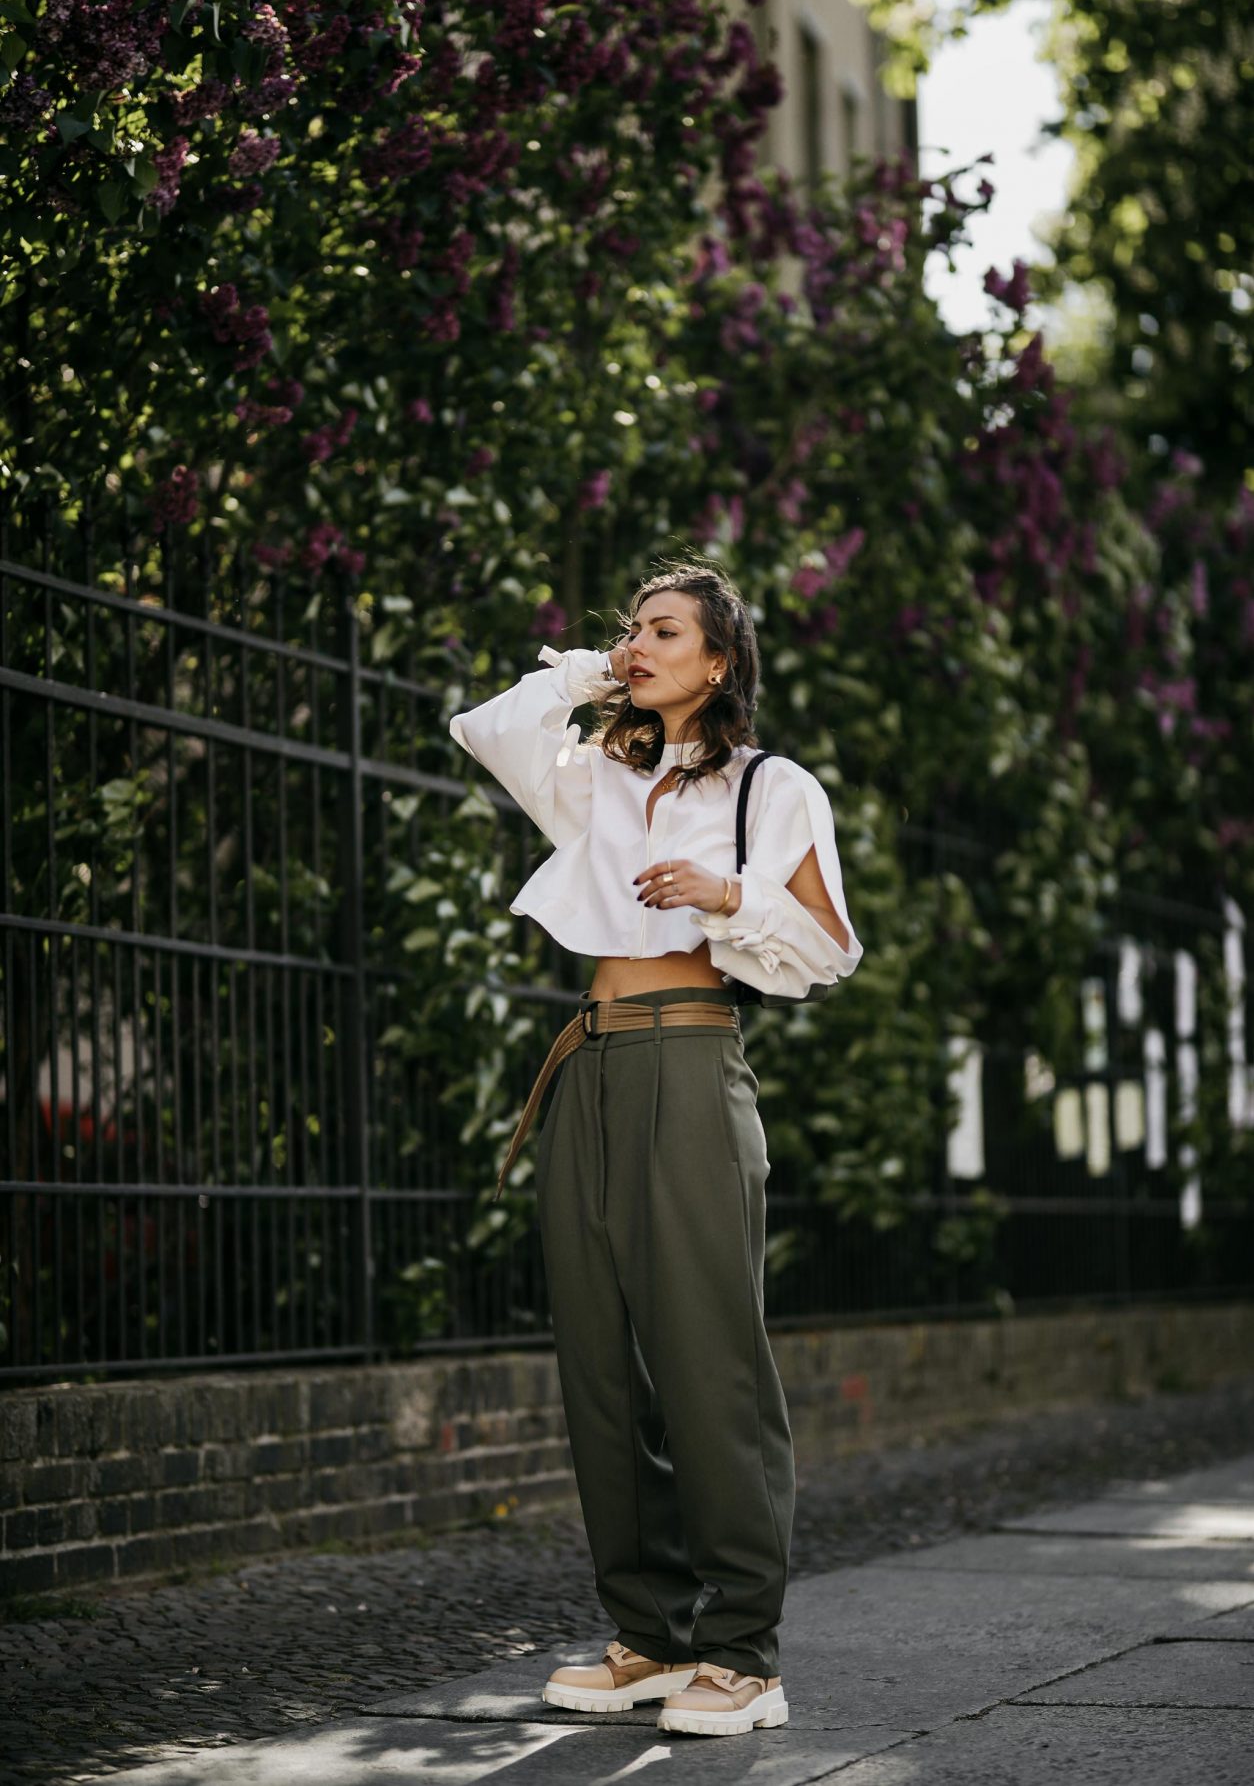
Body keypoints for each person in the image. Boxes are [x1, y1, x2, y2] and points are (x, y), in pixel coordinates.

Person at [447, 558, 864, 1738]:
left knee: (705, 1353)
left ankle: (742, 1652)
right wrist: (592, 670)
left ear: (719, 659)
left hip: (691, 1058)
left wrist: (729, 895)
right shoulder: (596, 773)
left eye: (663, 630)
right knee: (596, 1357)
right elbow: (488, 725)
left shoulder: (772, 787)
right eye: (630, 627)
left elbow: (831, 950)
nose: (637, 643)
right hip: (587, 1062)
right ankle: (646, 1633)